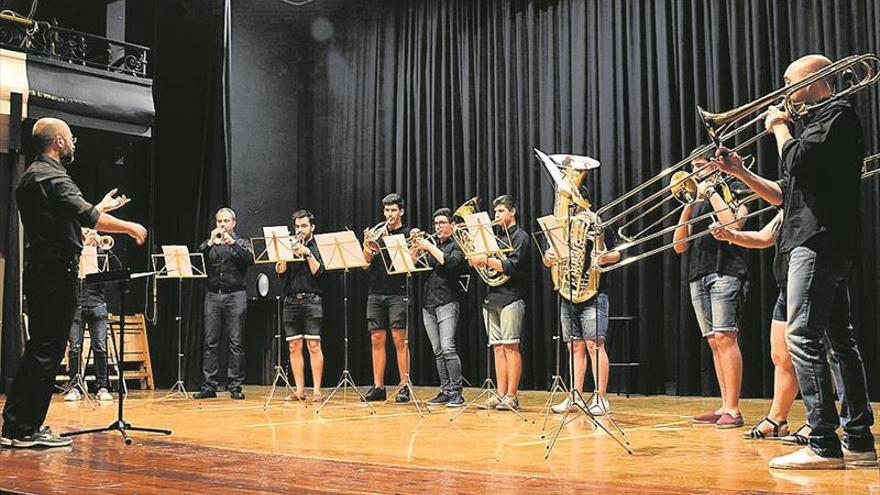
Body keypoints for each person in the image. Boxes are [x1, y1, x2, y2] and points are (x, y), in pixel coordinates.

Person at [711, 54, 876, 469]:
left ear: (816, 80)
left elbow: (797, 161)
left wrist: (780, 128)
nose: (783, 88)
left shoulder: (837, 115)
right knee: (839, 341)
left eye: (789, 80)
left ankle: (823, 443)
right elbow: (788, 191)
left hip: (818, 243)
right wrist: (742, 174)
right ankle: (858, 440)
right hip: (820, 241)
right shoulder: (818, 123)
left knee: (802, 337)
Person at [1, 117, 146, 448]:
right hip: (56, 273)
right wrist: (129, 226)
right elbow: (88, 217)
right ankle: (25, 430)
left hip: (40, 270)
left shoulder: (31, 176)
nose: (74, 143)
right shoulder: (54, 176)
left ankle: (15, 425)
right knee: (48, 352)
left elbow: (61, 223)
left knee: (38, 348)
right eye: (71, 138)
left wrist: (99, 208)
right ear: (58, 143)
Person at [673, 152, 750, 429]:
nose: (695, 172)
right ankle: (724, 405)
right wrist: (687, 205)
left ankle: (734, 408)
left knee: (725, 336)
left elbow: (733, 224)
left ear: (715, 166)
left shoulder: (736, 190)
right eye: (692, 167)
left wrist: (712, 192)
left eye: (700, 166)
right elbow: (679, 246)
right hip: (698, 274)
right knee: (713, 341)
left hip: (726, 271)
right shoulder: (696, 202)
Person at [544, 189, 621, 416]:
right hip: (568, 292)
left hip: (593, 292)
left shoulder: (597, 221)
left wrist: (599, 244)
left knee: (594, 345)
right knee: (574, 346)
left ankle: (601, 397)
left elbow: (615, 254)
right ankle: (575, 396)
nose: (564, 204)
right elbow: (549, 257)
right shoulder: (559, 225)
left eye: (567, 199)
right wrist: (548, 258)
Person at [469, 194, 530, 412]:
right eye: (495, 212)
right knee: (497, 349)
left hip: (511, 296)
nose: (497, 215)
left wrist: (485, 260)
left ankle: (512, 396)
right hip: (491, 296)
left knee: (511, 346)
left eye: (501, 211)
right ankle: (500, 392)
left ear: (512, 212)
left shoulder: (521, 237)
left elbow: (511, 266)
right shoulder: (491, 237)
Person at [193, 207, 254, 400]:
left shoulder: (242, 242)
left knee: (236, 343)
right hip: (213, 296)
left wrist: (233, 243)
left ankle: (235, 386)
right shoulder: (211, 243)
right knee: (210, 342)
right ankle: (209, 386)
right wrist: (210, 242)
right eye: (219, 221)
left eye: (226, 221)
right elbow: (196, 258)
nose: (222, 225)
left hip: (236, 296)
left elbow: (250, 258)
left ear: (233, 223)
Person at [411, 207, 466, 407]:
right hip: (428, 304)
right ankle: (446, 390)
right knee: (438, 351)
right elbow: (411, 263)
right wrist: (416, 247)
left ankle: (457, 393)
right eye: (436, 224)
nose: (438, 227)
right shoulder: (432, 245)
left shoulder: (457, 245)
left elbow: (449, 263)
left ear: (452, 225)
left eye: (442, 223)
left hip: (447, 301)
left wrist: (428, 246)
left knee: (448, 348)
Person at [361, 193, 412, 403]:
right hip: (375, 291)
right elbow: (365, 263)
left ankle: (404, 385)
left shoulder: (407, 233)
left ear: (401, 211)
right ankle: (378, 386)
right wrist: (367, 244)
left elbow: (408, 267)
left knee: (400, 340)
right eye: (386, 210)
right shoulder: (375, 232)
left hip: (397, 292)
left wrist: (390, 241)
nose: (389, 214)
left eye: (393, 210)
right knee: (376, 339)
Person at [276, 210, 325, 402]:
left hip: (312, 299)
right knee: (294, 346)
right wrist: (284, 253)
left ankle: (317, 390)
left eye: (304, 226)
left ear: (312, 227)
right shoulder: (288, 244)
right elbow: (280, 272)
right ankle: (299, 390)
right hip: (290, 300)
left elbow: (319, 272)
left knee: (314, 345)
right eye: (297, 226)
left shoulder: (317, 245)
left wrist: (308, 253)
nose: (300, 230)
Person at [64, 228, 114, 403]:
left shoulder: (102, 256)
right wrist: (83, 247)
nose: (90, 236)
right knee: (75, 347)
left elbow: (115, 271)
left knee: (100, 347)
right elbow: (68, 273)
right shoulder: (74, 253)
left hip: (98, 306)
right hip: (76, 306)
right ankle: (75, 387)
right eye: (86, 233)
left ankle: (102, 387)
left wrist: (103, 247)